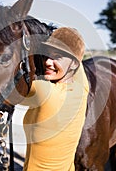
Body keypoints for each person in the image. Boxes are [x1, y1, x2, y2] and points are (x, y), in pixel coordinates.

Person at [21, 27, 89, 170]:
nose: (47, 62)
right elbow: (78, 62)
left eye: (57, 57)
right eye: (47, 55)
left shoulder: (44, 91)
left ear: (74, 63)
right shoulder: (82, 89)